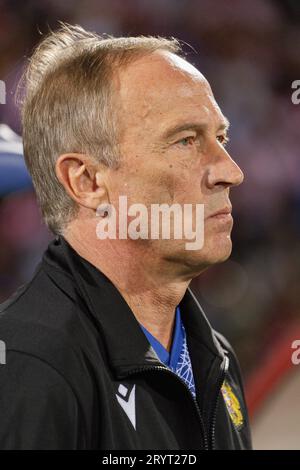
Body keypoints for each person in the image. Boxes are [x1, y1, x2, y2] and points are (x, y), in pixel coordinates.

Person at [0, 24, 252, 450]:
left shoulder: (214, 354)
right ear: (87, 181)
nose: (231, 171)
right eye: (186, 140)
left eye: (221, 137)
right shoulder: (29, 366)